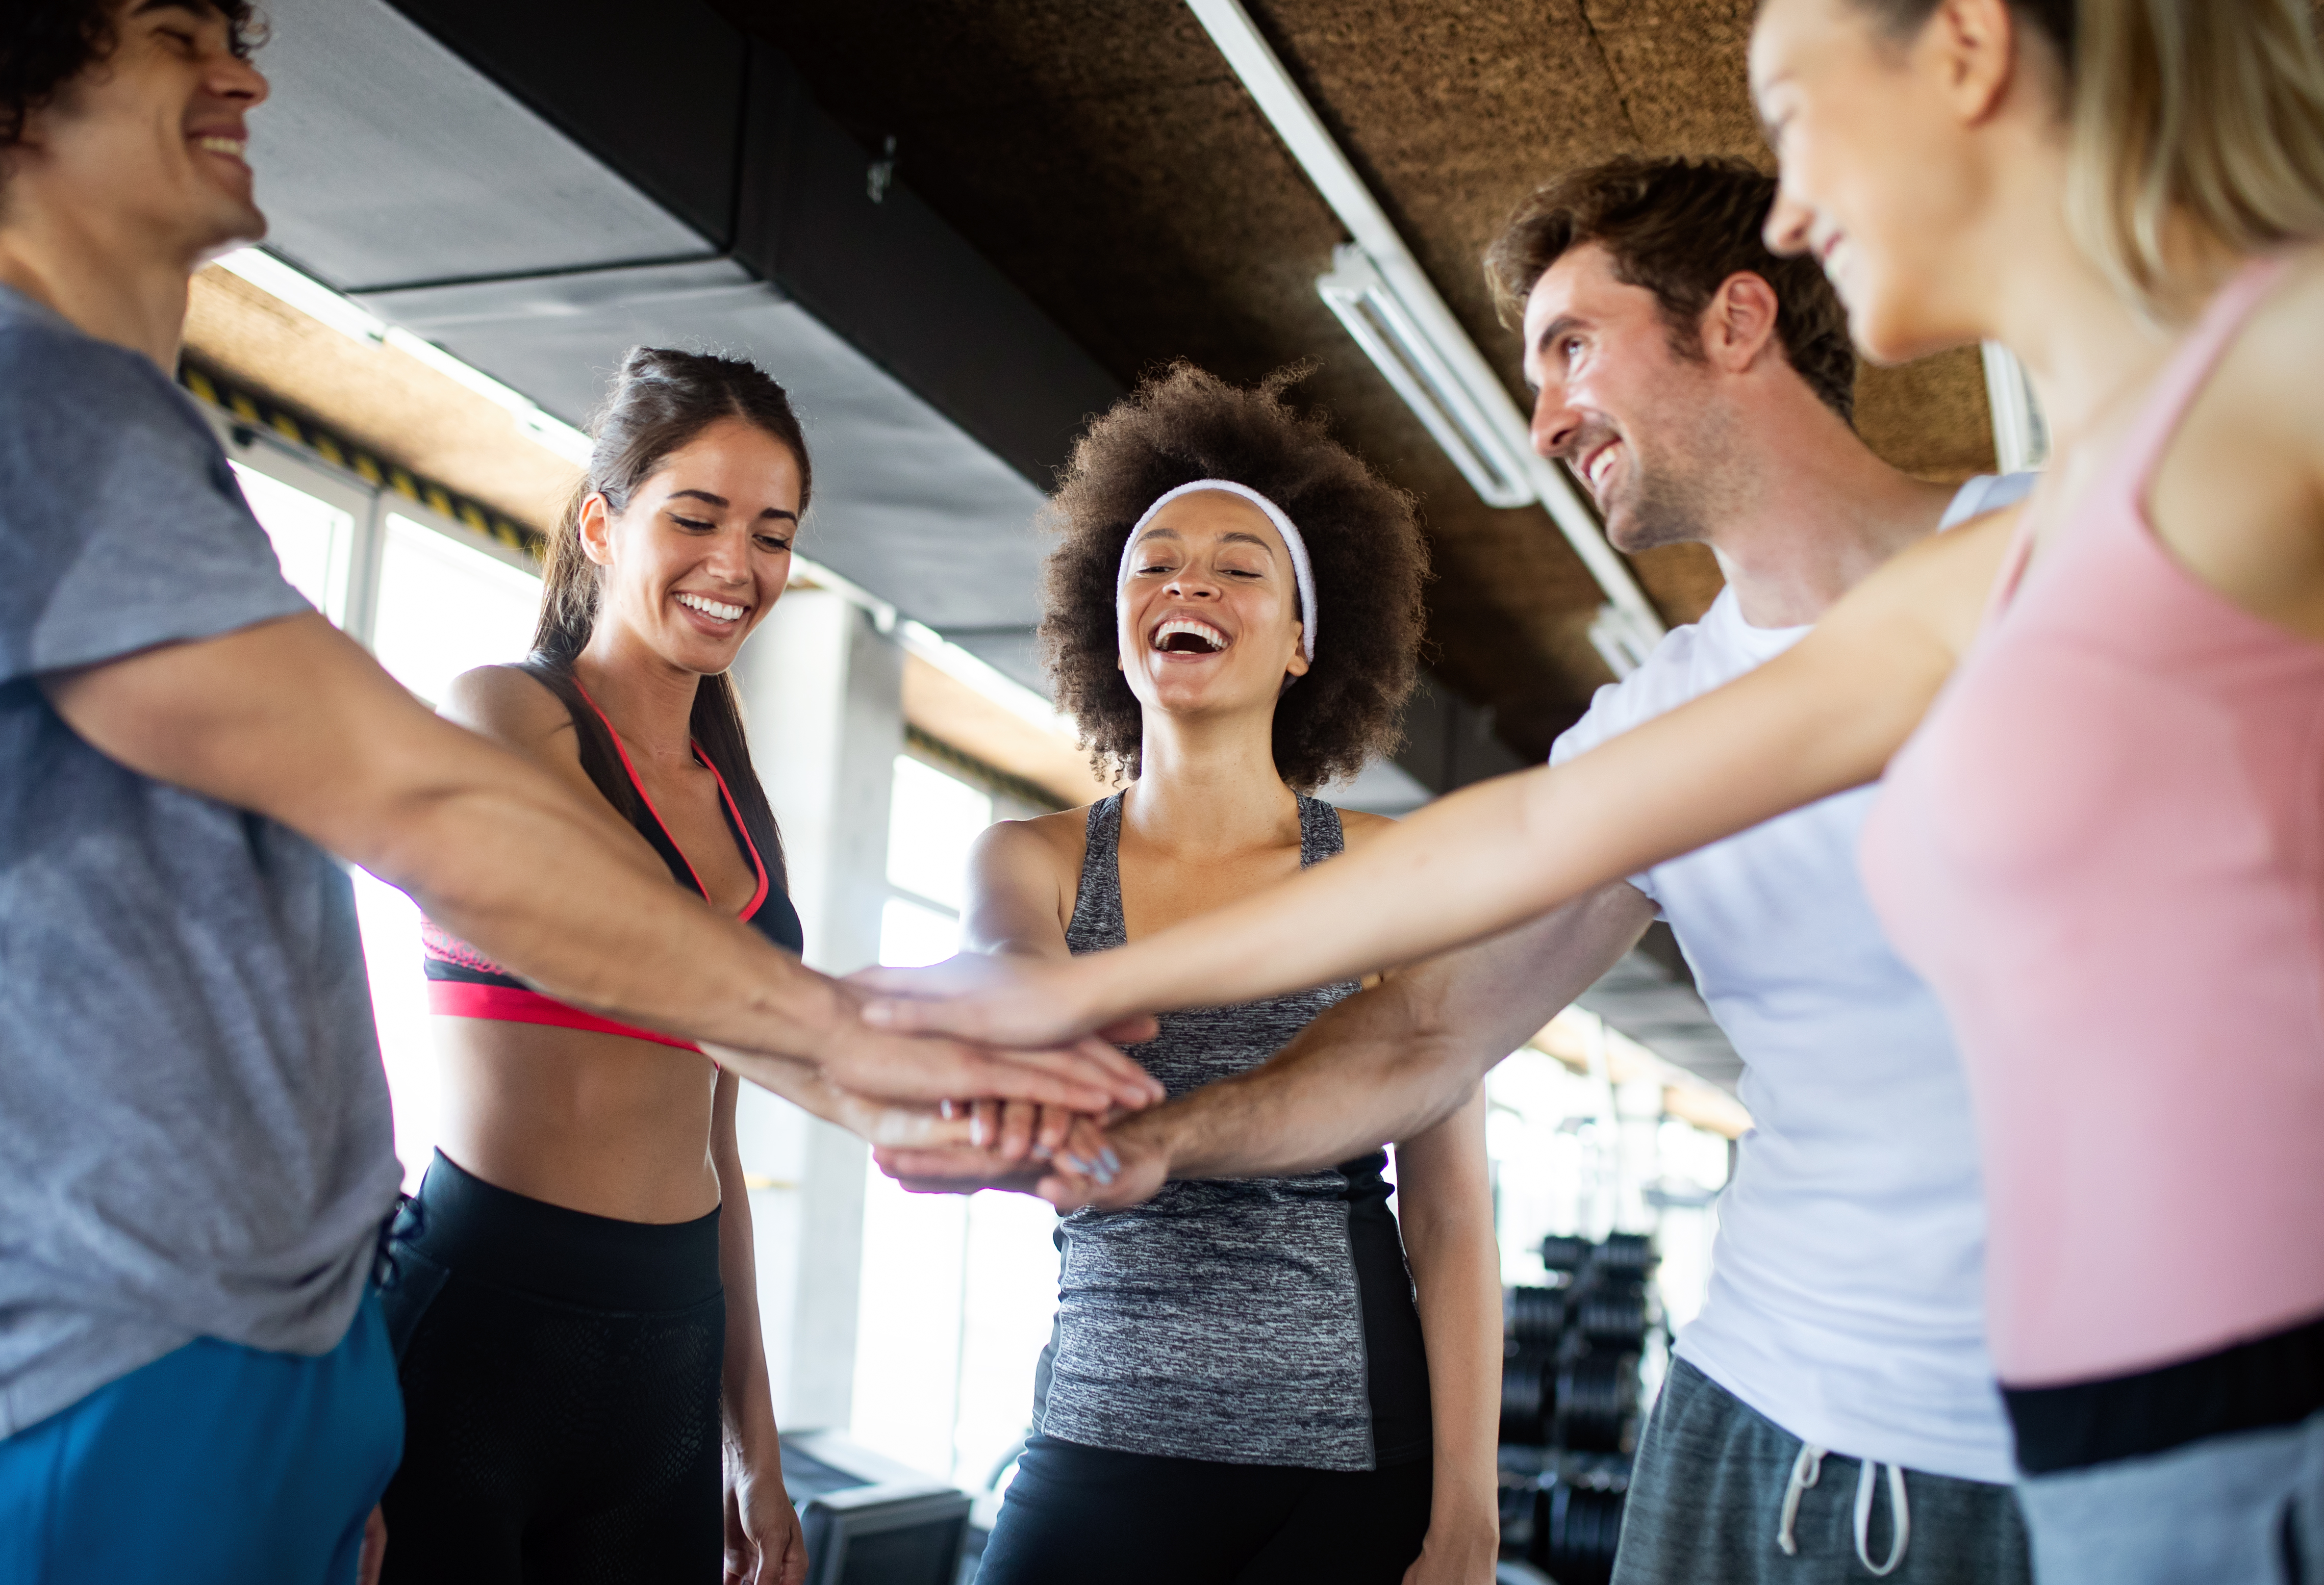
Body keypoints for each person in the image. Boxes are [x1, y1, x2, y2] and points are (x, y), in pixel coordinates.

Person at [862, 2, 2324, 1579]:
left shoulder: (2167, 467)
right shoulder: (1935, 604)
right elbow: (1500, 882)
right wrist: (1146, 1106)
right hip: (1769, 1414)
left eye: (1569, 344)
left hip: (2154, 1432)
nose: (1543, 413)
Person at [0, 5, 1154, 1580]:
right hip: (132, 1358)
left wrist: (340, 1386)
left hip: (288, 1360)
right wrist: (850, 1040)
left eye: (774, 532)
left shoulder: (122, 436)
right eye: (179, 35)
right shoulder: (18, 399)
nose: (245, 73)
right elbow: (439, 814)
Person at [961, 366, 1500, 1585]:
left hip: (1349, 1467)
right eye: (1153, 562)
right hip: (1102, 1436)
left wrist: (1470, 1514)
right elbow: (1014, 985)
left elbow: (1454, 1213)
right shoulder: (1032, 861)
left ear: (1307, 639)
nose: (1189, 580)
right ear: (1115, 622)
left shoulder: (1386, 873)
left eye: (1240, 566)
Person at [377, 348, 825, 1583]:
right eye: (696, 517)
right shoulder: (505, 716)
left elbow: (716, 1146)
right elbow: (610, 908)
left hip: (669, 1371)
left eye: (773, 534)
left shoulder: (742, 816)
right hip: (481, 1330)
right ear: (600, 523)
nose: (738, 565)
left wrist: (755, 1449)